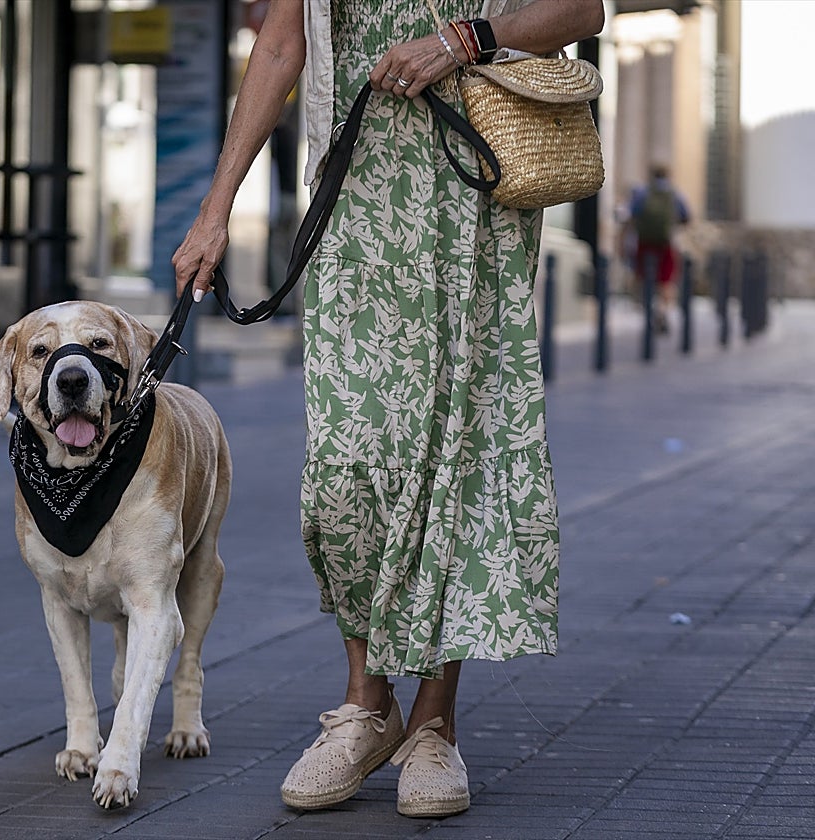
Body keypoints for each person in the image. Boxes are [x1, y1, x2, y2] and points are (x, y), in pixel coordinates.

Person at [173, 0, 604, 819]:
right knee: (349, 464)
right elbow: (279, 44)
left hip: (470, 195)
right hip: (354, 199)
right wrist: (215, 207)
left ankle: (433, 726)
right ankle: (367, 710)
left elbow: (581, 9)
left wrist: (460, 41)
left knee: (454, 451)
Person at [629, 164, 690, 332]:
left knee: (643, 277)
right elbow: (686, 217)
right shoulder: (675, 194)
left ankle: (648, 307)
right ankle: (662, 311)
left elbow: (632, 214)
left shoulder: (642, 192)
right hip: (666, 242)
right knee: (666, 280)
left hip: (645, 242)